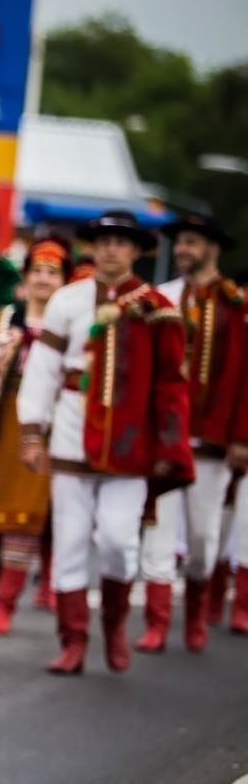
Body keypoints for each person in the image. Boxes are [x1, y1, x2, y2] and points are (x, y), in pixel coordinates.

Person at [17, 210, 192, 675]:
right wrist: (33, 431)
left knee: (118, 540)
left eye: (122, 241)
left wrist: (168, 447)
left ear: (136, 250)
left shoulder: (157, 308)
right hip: (72, 439)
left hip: (131, 447)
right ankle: (72, 639)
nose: (112, 248)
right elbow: (42, 369)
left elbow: (172, 385)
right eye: (104, 240)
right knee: (70, 542)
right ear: (92, 247)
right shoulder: (66, 301)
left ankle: (114, 624)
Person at [135, 214, 248, 653]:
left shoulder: (236, 304)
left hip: (214, 440)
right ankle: (157, 622)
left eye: (191, 242)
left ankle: (198, 609)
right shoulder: (160, 299)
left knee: (203, 539)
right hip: (165, 438)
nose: (183, 249)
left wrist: (241, 437)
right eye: (179, 241)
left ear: (213, 249)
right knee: (157, 530)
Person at [0, 236, 69, 636]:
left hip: (44, 428)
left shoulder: (71, 323)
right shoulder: (4, 318)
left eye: (52, 273)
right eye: (38, 272)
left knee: (24, 521)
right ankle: (3, 587)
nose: (44, 280)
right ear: (25, 278)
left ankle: (4, 604)